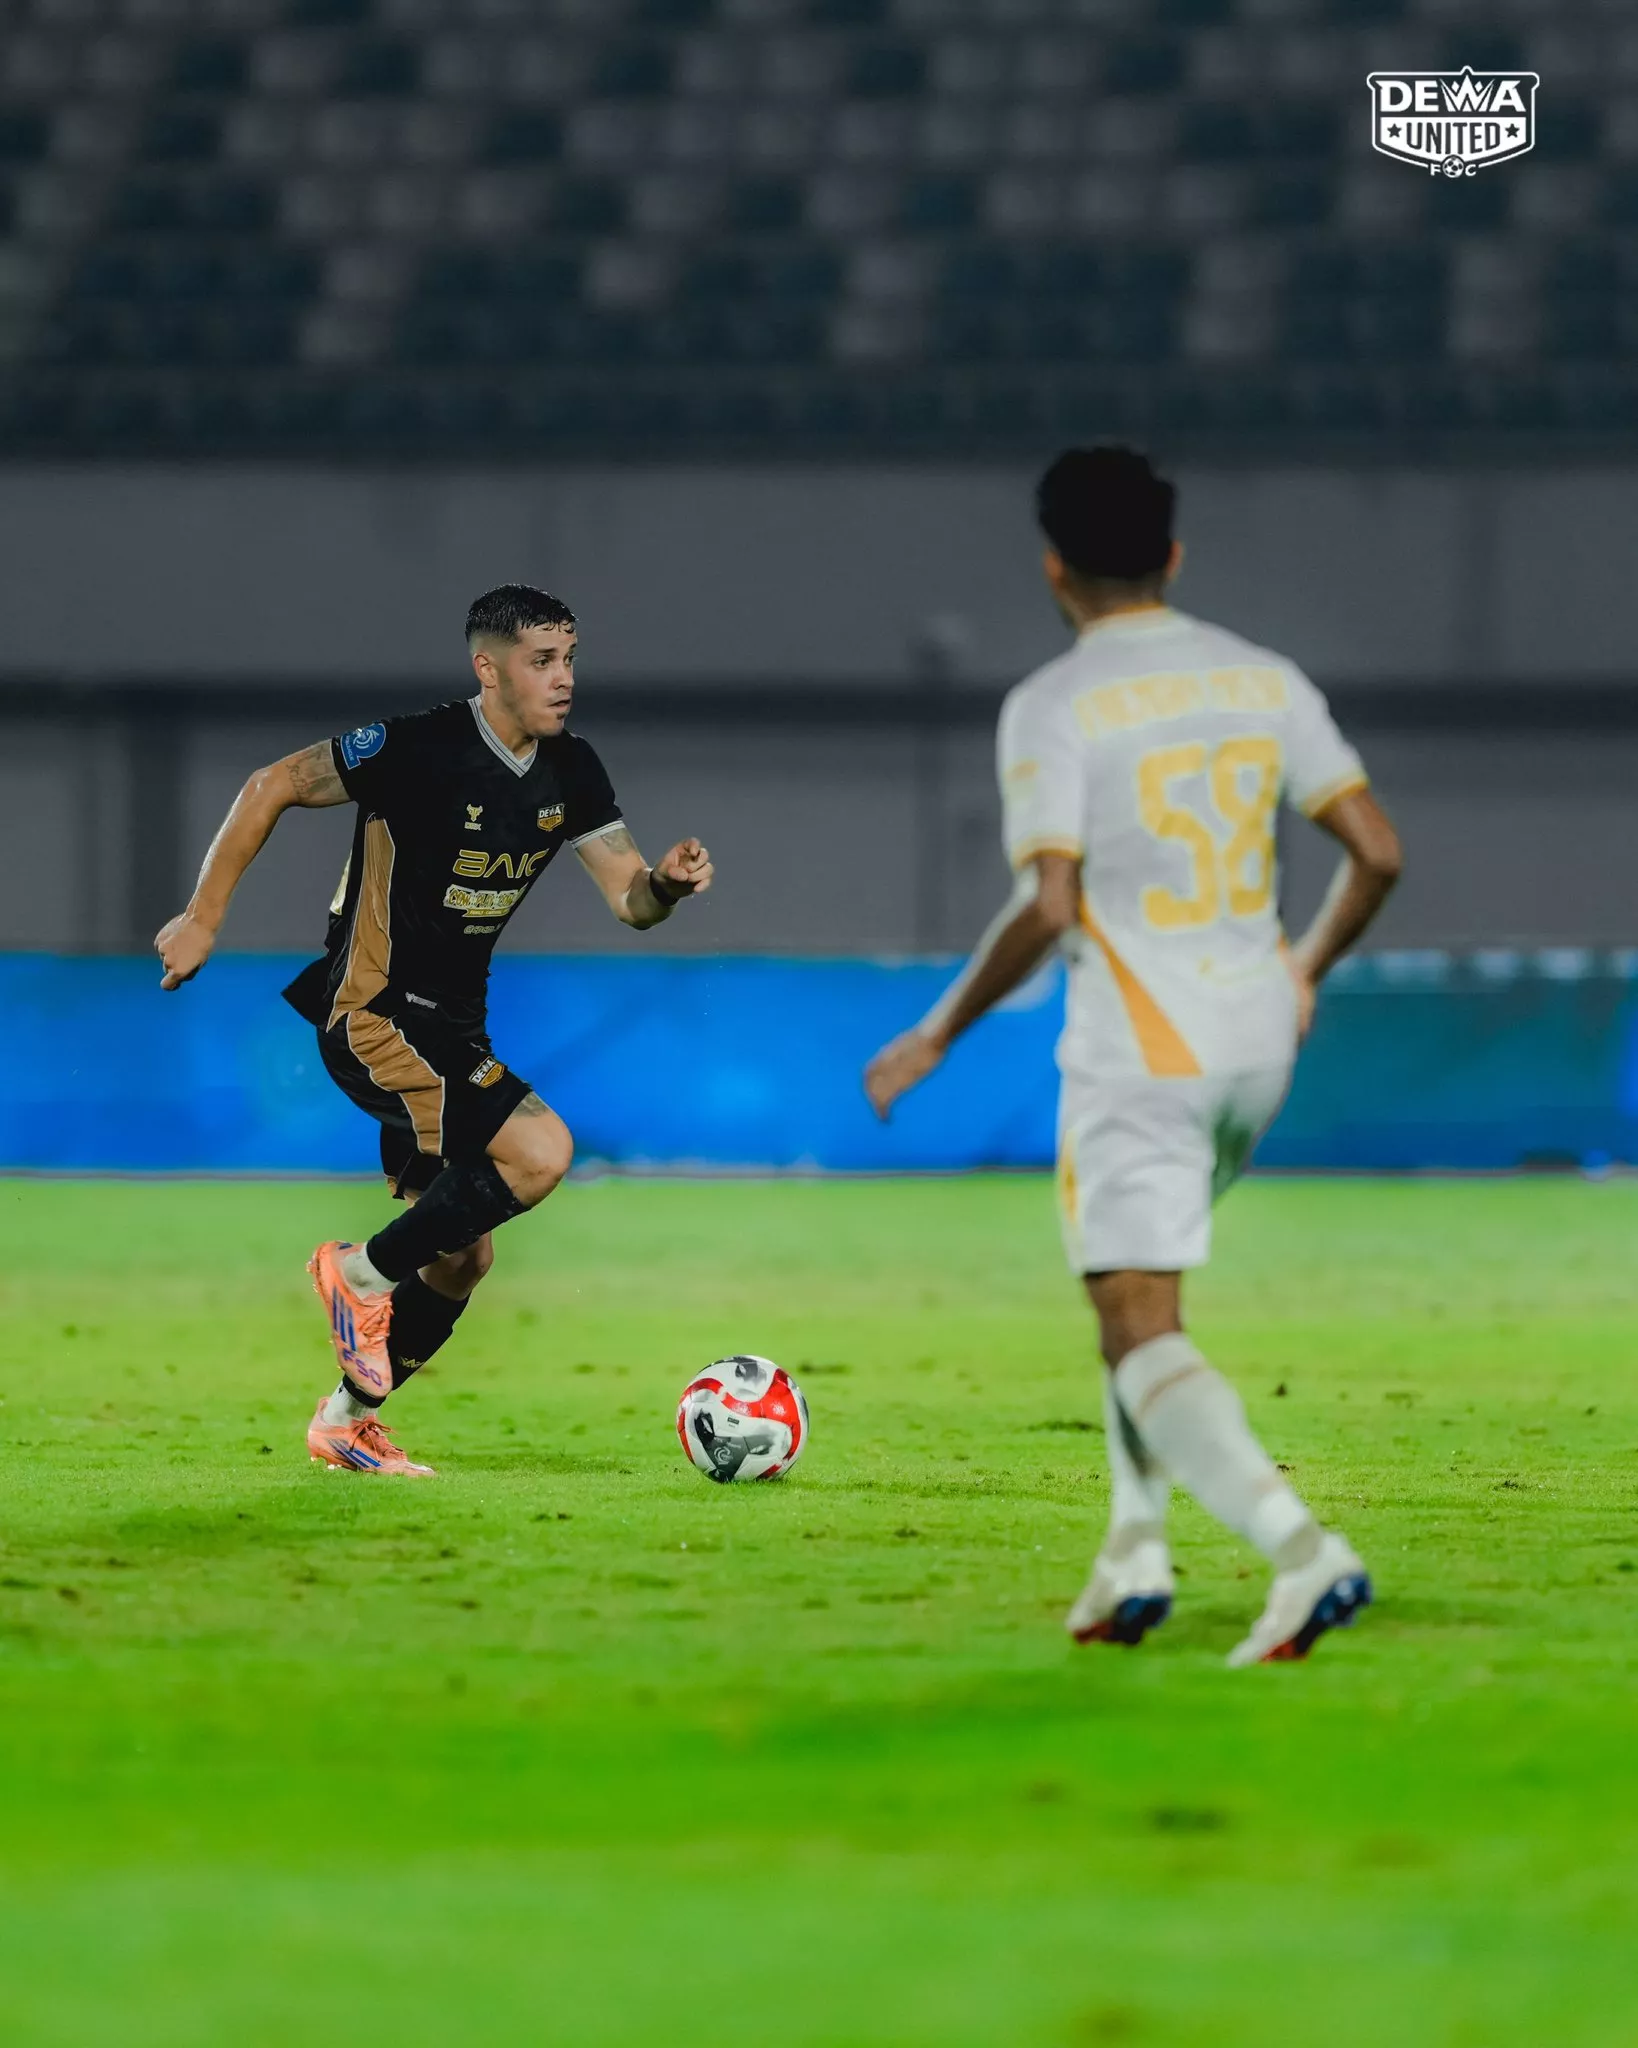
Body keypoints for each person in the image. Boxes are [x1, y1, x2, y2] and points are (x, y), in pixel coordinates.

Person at [864, 448, 1402, 1667]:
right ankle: (1133, 1551)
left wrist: (939, 1029)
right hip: (1258, 1045)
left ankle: (1302, 1548)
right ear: (1174, 554)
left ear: (1054, 565)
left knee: (1138, 1317)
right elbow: (1376, 849)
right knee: (1139, 1302)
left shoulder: (1054, 705)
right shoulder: (1264, 677)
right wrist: (1304, 966)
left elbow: (1050, 904)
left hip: (1143, 1049)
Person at [155, 583, 713, 1478]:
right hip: (371, 1013)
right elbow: (273, 786)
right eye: (542, 661)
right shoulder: (416, 749)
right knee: (540, 1154)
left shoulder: (572, 769)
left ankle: (345, 1423)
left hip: (451, 1028)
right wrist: (202, 916)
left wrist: (667, 889)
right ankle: (358, 1276)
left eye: (570, 658)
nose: (563, 678)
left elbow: (628, 899)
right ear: (487, 670)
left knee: (461, 1258)